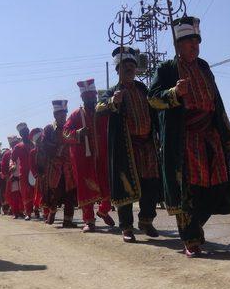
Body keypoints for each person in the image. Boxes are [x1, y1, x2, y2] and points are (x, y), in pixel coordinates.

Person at [149, 16, 230, 257]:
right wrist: (174, 92)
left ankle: (194, 226)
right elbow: (153, 98)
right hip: (184, 138)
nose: (194, 46)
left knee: (217, 187)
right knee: (188, 190)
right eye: (189, 42)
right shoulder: (167, 69)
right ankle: (190, 238)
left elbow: (217, 101)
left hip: (210, 135)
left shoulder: (204, 67)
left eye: (197, 42)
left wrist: (227, 135)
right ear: (178, 45)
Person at [97, 47, 161, 243]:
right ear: (118, 70)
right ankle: (126, 226)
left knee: (151, 184)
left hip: (147, 146)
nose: (130, 69)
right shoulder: (112, 92)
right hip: (126, 147)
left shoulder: (143, 89)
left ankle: (146, 220)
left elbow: (155, 109)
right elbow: (99, 108)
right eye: (125, 66)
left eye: (132, 65)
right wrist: (112, 102)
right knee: (125, 187)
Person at [63, 79, 115, 232]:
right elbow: (65, 134)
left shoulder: (102, 111)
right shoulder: (75, 115)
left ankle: (103, 211)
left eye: (92, 97)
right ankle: (89, 220)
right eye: (87, 98)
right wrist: (78, 133)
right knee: (86, 189)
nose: (90, 100)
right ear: (82, 98)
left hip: (103, 155)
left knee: (108, 185)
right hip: (83, 159)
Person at [39, 101, 78, 228]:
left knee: (70, 193)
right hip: (55, 166)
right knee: (55, 192)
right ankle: (52, 211)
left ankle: (68, 220)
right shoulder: (49, 129)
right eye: (60, 114)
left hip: (69, 166)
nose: (62, 117)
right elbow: (43, 145)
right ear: (55, 115)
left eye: (64, 114)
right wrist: (57, 149)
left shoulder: (70, 126)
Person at [12, 123, 38, 220]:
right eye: (23, 132)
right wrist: (13, 166)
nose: (26, 133)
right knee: (26, 192)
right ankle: (28, 212)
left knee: (36, 190)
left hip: (35, 170)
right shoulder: (18, 146)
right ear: (21, 134)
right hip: (24, 172)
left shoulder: (34, 144)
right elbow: (13, 158)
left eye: (26, 131)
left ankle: (37, 210)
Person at [1, 137, 23, 218]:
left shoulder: (8, 153)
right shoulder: (8, 154)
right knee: (17, 195)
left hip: (19, 176)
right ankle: (17, 211)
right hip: (15, 176)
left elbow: (3, 169)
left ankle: (18, 211)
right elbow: (4, 168)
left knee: (18, 195)